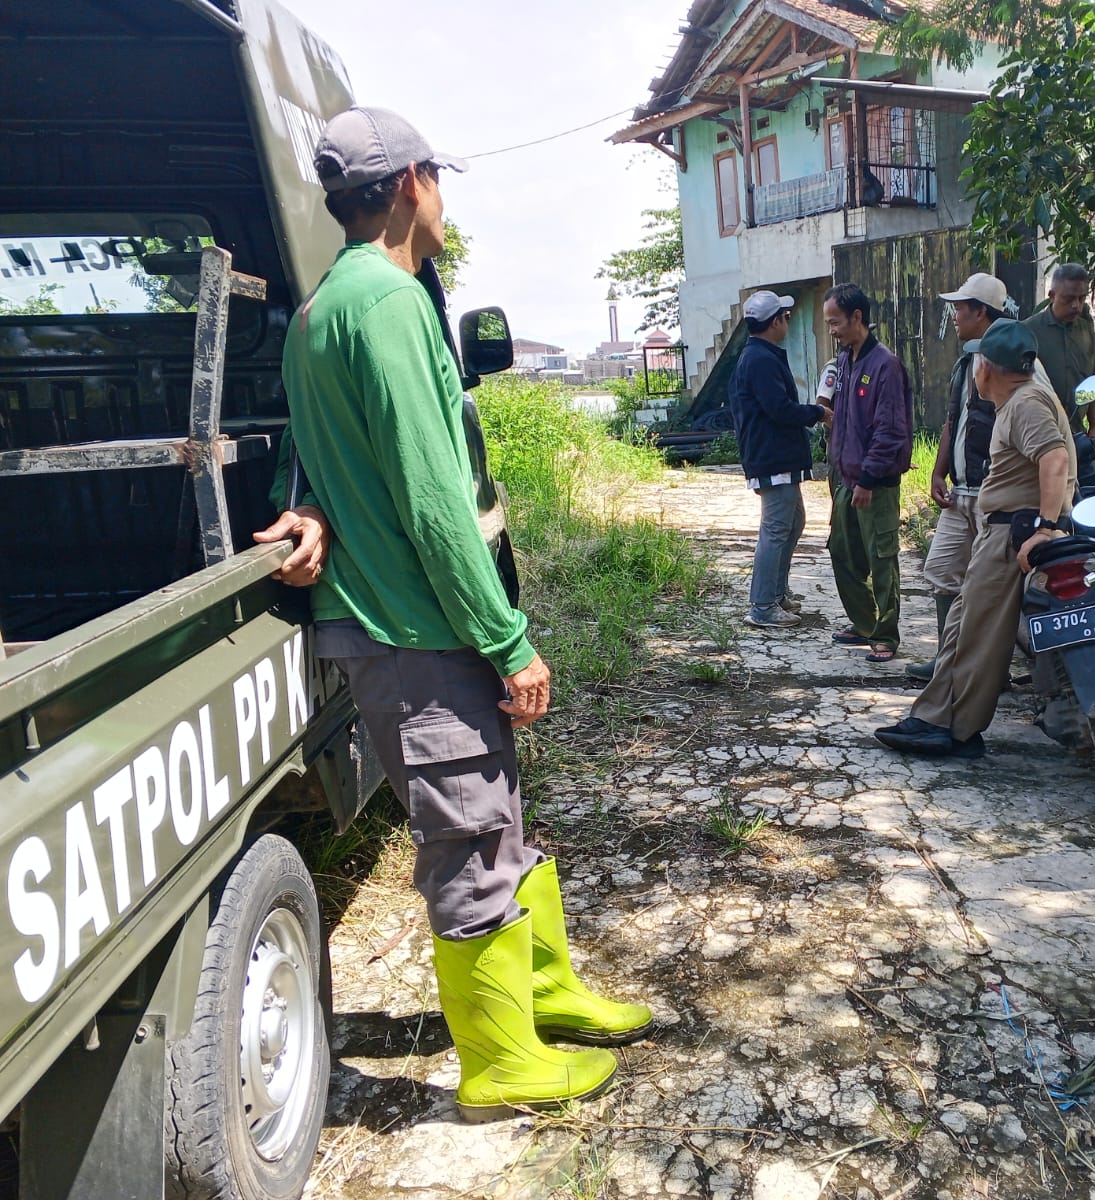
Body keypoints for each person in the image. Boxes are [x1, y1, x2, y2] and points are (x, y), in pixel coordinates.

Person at [266, 106, 649, 1122]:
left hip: (411, 624)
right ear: (410, 186)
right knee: (471, 843)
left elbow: (324, 460)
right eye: (438, 179)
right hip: (419, 628)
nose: (444, 198)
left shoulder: (322, 312)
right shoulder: (387, 308)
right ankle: (499, 1066)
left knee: (500, 823)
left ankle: (544, 996)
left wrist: (307, 506)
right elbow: (434, 502)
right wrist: (506, 639)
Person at [875, 319, 1075, 757]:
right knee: (962, 630)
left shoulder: (1026, 403)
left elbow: (1055, 459)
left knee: (979, 636)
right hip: (1000, 529)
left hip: (1012, 532)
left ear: (987, 366)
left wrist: (1045, 527)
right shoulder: (1021, 400)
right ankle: (932, 718)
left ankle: (960, 732)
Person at [906, 272, 1015, 684]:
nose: (954, 315)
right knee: (943, 570)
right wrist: (937, 470)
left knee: (991, 588)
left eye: (960, 308)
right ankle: (948, 661)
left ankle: (990, 670)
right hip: (961, 492)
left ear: (981, 312)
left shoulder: (1013, 362)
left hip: (993, 493)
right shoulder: (966, 360)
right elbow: (954, 418)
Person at [821, 283, 913, 664]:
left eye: (836, 322)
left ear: (857, 317)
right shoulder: (845, 360)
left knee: (881, 558)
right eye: (828, 323)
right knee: (842, 552)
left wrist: (869, 480)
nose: (832, 330)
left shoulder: (885, 365)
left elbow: (889, 431)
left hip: (873, 484)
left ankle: (886, 635)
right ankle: (863, 623)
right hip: (844, 478)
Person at [728, 289, 830, 628]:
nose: (788, 320)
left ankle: (775, 594)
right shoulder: (759, 359)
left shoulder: (760, 355)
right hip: (773, 459)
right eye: (785, 317)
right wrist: (817, 412)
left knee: (793, 522)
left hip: (776, 457)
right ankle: (762, 605)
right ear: (774, 322)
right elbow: (779, 409)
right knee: (775, 530)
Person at [1024, 261, 1095, 435]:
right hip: (1040, 433)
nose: (1076, 305)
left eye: (1082, 298)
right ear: (1052, 295)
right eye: (1069, 299)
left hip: (1078, 434)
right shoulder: (1028, 331)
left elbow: (1094, 378)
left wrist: (1094, 426)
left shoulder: (1086, 330)